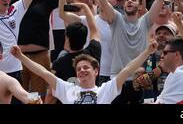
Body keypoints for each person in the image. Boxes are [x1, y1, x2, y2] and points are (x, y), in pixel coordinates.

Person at [9, 39, 158, 104]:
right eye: (79, 69)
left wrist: (147, 52)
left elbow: (127, 70)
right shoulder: (67, 89)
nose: (82, 70)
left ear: (96, 71)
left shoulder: (106, 90)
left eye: (86, 67)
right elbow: (44, 73)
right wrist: (21, 56)